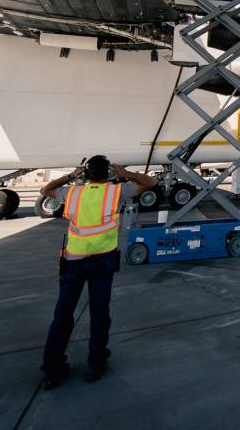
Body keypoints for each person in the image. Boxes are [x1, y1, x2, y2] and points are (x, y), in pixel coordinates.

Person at [39, 155, 158, 389]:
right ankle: (96, 363)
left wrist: (70, 176)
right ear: (109, 173)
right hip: (102, 261)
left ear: (85, 173)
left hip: (73, 261)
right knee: (100, 313)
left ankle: (52, 370)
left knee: (62, 316)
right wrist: (126, 173)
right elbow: (150, 184)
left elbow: (46, 189)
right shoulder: (116, 192)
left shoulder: (72, 193)